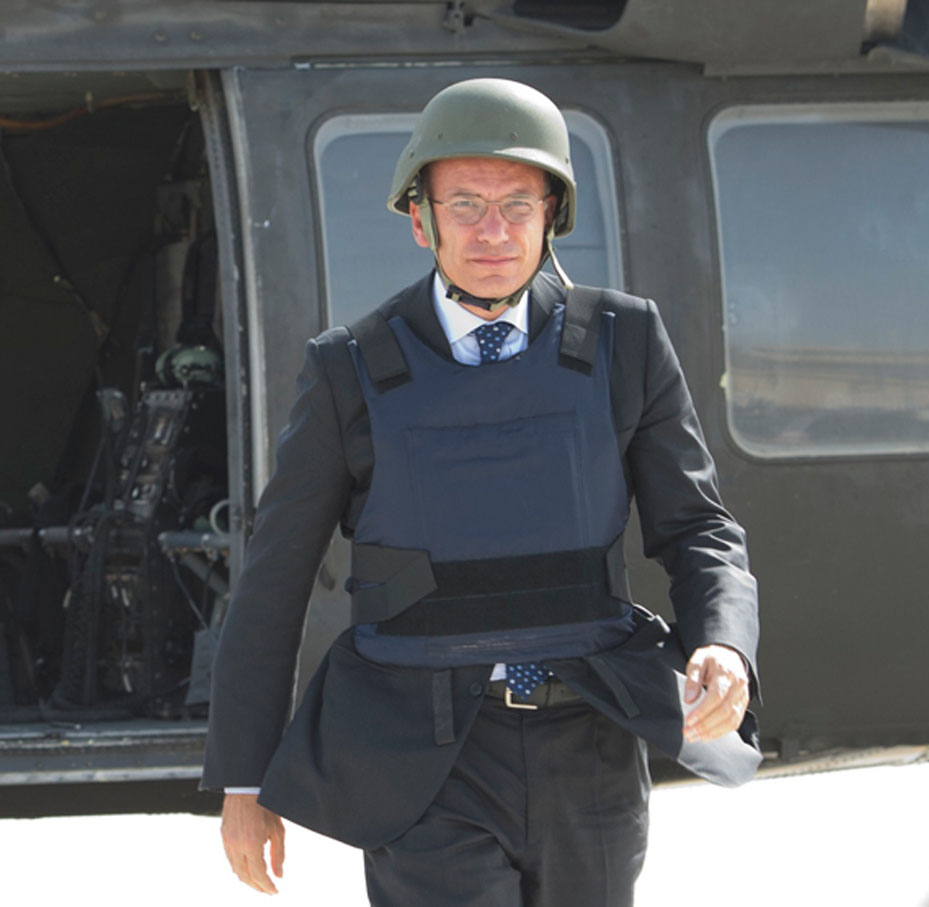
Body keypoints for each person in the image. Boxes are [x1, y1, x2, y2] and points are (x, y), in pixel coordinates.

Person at [203, 77, 761, 906]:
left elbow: (698, 528)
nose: (493, 231)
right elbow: (274, 578)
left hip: (591, 744)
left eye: (517, 205)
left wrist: (723, 641)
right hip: (421, 761)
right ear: (420, 218)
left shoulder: (626, 341)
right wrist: (245, 779)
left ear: (551, 214)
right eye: (464, 204)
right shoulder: (349, 369)